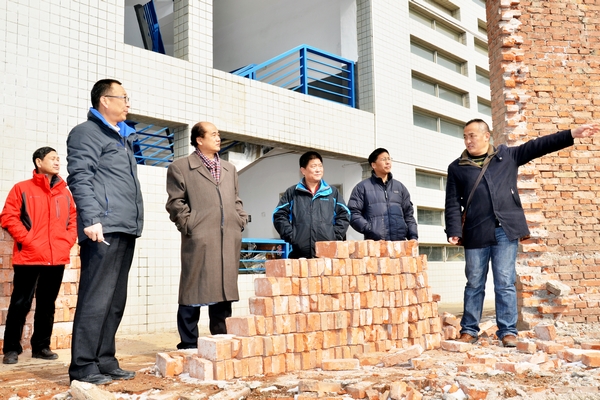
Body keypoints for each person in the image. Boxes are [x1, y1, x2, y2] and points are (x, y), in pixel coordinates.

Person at [445, 119, 598, 347]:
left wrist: (572, 133)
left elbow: (539, 145)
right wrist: (454, 230)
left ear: (486, 136)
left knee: (505, 282)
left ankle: (508, 331)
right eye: (465, 136)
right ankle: (469, 330)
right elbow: (451, 202)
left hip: (504, 230)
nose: (468, 140)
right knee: (474, 282)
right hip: (475, 231)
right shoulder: (457, 167)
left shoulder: (506, 156)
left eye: (472, 135)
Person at [66, 79, 144, 384]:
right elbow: (80, 176)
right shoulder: (86, 132)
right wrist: (91, 219)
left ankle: (105, 360)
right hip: (103, 227)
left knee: (114, 301)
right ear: (104, 101)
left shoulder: (123, 137)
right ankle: (83, 366)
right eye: (123, 97)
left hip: (124, 226)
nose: (128, 103)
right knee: (95, 299)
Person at [166, 121, 248, 349]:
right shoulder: (181, 167)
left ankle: (220, 341)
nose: (218, 138)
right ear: (199, 140)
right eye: (213, 134)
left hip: (227, 237)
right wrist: (189, 225)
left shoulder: (229, 169)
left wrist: (239, 219)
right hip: (199, 237)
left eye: (218, 134)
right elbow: (175, 203)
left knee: (223, 290)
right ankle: (189, 343)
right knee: (192, 288)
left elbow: (236, 199)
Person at [0, 147, 77, 365]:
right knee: (20, 303)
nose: (57, 162)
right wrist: (27, 240)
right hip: (29, 256)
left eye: (58, 159)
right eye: (52, 158)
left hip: (56, 257)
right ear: (38, 162)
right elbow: (8, 216)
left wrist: (66, 241)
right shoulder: (22, 188)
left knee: (47, 304)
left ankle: (41, 347)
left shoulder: (64, 193)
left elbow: (73, 219)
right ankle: (11, 349)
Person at [273, 151, 350, 259]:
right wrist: (292, 237)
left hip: (327, 255)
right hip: (299, 255)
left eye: (320, 166)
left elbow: (345, 215)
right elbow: (279, 216)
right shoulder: (293, 193)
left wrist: (334, 237)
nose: (318, 170)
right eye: (313, 166)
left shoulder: (332, 192)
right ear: (303, 170)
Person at [348, 148, 418, 242]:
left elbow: (409, 215)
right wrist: (370, 229)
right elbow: (353, 213)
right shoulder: (362, 187)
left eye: (389, 159)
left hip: (399, 243)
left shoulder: (400, 187)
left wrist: (413, 236)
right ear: (373, 165)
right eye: (383, 159)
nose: (388, 162)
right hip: (375, 244)